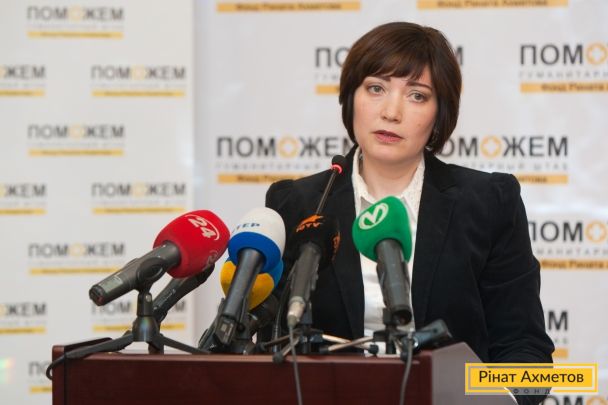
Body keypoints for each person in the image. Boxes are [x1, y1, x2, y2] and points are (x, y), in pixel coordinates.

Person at [265, 21, 554, 402]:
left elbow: (526, 351)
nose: (391, 112)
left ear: (439, 113)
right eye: (376, 88)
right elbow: (269, 346)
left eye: (417, 95)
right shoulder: (298, 204)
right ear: (350, 98)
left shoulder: (488, 202)